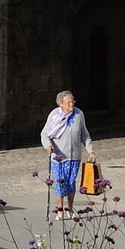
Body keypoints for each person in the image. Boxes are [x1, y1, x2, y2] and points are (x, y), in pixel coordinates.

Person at [40, 87, 92, 217]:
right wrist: (48, 146)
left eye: (73, 101)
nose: (72, 104)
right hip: (58, 156)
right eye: (68, 102)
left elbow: (84, 135)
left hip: (74, 156)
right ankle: (59, 208)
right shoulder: (54, 115)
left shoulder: (79, 114)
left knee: (71, 182)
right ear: (60, 104)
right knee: (60, 182)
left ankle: (70, 207)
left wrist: (90, 150)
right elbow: (44, 134)